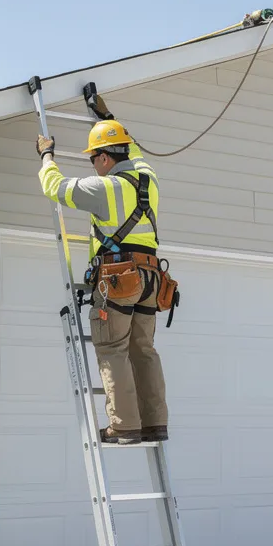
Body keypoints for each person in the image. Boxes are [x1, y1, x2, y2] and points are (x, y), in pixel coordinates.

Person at [35, 95, 169, 445]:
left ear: (106, 158)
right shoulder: (148, 179)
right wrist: (107, 116)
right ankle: (155, 423)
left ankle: (123, 427)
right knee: (144, 350)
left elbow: (56, 188)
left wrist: (47, 155)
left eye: (95, 158)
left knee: (113, 350)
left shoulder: (104, 188)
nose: (94, 165)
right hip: (151, 280)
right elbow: (135, 151)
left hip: (118, 280)